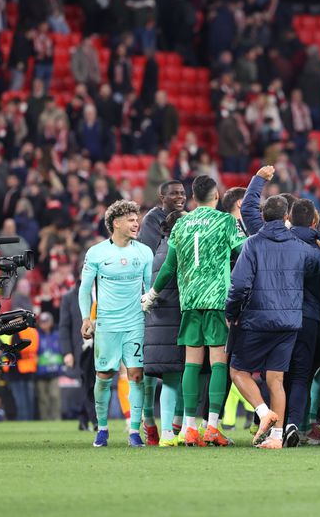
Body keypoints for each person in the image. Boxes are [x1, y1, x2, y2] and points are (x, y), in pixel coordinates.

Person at [142, 176, 245, 447]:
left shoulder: (182, 223)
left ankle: (188, 428)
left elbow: (169, 266)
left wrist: (152, 293)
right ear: (217, 195)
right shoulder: (225, 221)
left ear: (193, 197)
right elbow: (244, 252)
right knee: (218, 363)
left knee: (191, 363)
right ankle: (211, 427)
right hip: (217, 300)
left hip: (189, 302)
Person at [226, 195, 320, 449]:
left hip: (257, 319)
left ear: (263, 216)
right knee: (276, 379)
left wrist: (232, 312)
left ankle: (264, 413)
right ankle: (276, 437)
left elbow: (239, 284)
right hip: (289, 322)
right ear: (286, 217)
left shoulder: (253, 243)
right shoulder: (298, 246)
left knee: (238, 371)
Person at [78, 199, 154, 447]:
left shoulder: (144, 252)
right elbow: (85, 289)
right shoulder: (97, 253)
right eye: (131, 220)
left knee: (136, 375)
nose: (136, 223)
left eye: (136, 219)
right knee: (104, 375)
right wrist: (86, 318)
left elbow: (149, 289)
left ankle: (134, 431)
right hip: (107, 325)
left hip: (135, 323)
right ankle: (102, 429)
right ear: (116, 223)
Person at [135, 178, 185, 445]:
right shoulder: (153, 221)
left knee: (171, 367)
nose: (180, 197)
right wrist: (149, 295)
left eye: (182, 193)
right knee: (152, 370)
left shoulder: (184, 218)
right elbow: (152, 261)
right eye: (174, 193)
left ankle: (168, 425)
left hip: (170, 302)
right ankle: (149, 420)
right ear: (161, 197)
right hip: (155, 301)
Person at [59, 277, 94, 431]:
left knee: (95, 383)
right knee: (86, 383)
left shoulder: (102, 292)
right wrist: (67, 352)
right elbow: (64, 326)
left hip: (100, 345)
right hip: (80, 348)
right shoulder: (69, 297)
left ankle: (85, 418)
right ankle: (93, 420)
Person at [35, 312, 63, 420]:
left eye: (46, 321)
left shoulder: (57, 335)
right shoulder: (36, 335)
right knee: (43, 398)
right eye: (42, 322)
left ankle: (56, 419)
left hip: (54, 371)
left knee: (55, 396)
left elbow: (61, 351)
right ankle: (45, 419)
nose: (44, 324)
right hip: (40, 371)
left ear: (51, 322)